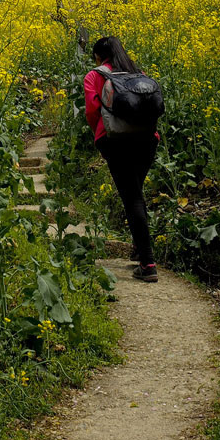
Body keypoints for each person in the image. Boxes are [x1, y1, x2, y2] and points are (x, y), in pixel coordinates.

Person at [84, 36, 159, 282]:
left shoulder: (95, 76)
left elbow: (93, 111)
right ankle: (139, 248)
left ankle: (147, 264)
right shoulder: (139, 73)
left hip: (116, 141)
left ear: (98, 56)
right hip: (148, 140)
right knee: (135, 191)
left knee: (132, 196)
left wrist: (101, 139)